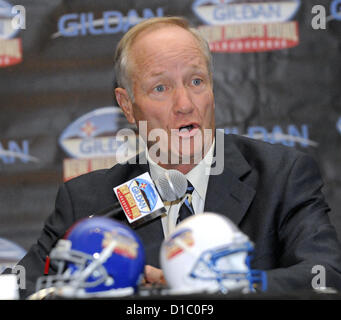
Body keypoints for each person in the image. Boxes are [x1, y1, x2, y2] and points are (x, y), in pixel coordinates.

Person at [15, 16, 341, 298]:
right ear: (127, 105)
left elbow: (326, 276)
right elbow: (20, 287)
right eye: (161, 88)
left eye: (196, 81)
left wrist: (224, 286)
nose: (185, 104)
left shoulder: (281, 176)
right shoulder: (89, 203)